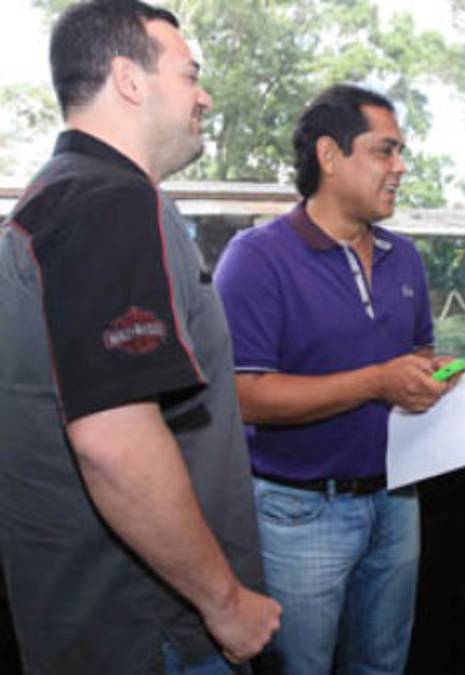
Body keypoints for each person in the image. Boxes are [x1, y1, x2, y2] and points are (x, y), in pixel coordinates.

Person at [0, 2, 280, 672]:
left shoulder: (56, 200)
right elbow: (113, 439)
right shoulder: (108, 204)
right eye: (190, 75)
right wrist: (224, 603)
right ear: (129, 80)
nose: (204, 96)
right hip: (152, 630)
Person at [214, 84, 453, 674]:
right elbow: (245, 396)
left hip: (398, 500)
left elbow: (418, 350)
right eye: (384, 150)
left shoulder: (404, 256)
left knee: (383, 665)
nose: (400, 167)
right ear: (328, 155)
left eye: (400, 152)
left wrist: (429, 375)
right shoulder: (256, 257)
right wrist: (377, 381)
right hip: (299, 513)